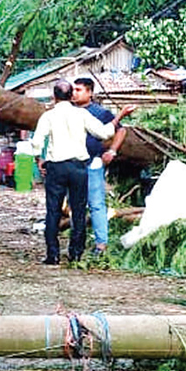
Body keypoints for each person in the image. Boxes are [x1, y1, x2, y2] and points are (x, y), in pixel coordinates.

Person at [27, 79, 134, 265]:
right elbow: (104, 133)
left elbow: (36, 142)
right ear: (71, 96)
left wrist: (39, 160)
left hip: (56, 167)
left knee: (53, 211)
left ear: (54, 96)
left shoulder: (48, 116)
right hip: (78, 167)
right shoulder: (82, 114)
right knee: (78, 210)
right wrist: (120, 116)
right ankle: (75, 253)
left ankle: (52, 255)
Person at [73, 77, 129, 256]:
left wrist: (112, 151)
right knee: (75, 205)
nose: (75, 93)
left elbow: (121, 130)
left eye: (79, 90)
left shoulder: (100, 112)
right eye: (73, 90)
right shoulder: (68, 111)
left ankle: (101, 244)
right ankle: (76, 245)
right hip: (72, 164)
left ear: (90, 92)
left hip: (93, 164)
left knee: (96, 205)